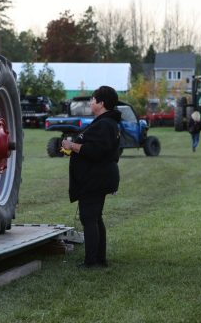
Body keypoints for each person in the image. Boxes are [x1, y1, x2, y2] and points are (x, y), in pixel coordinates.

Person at [61, 86, 121, 268]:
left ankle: (92, 261)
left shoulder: (105, 124)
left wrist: (73, 147)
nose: (90, 102)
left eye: (93, 99)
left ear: (101, 103)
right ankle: (99, 259)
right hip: (97, 178)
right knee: (95, 217)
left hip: (95, 179)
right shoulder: (105, 122)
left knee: (89, 217)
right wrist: (73, 146)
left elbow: (97, 151)